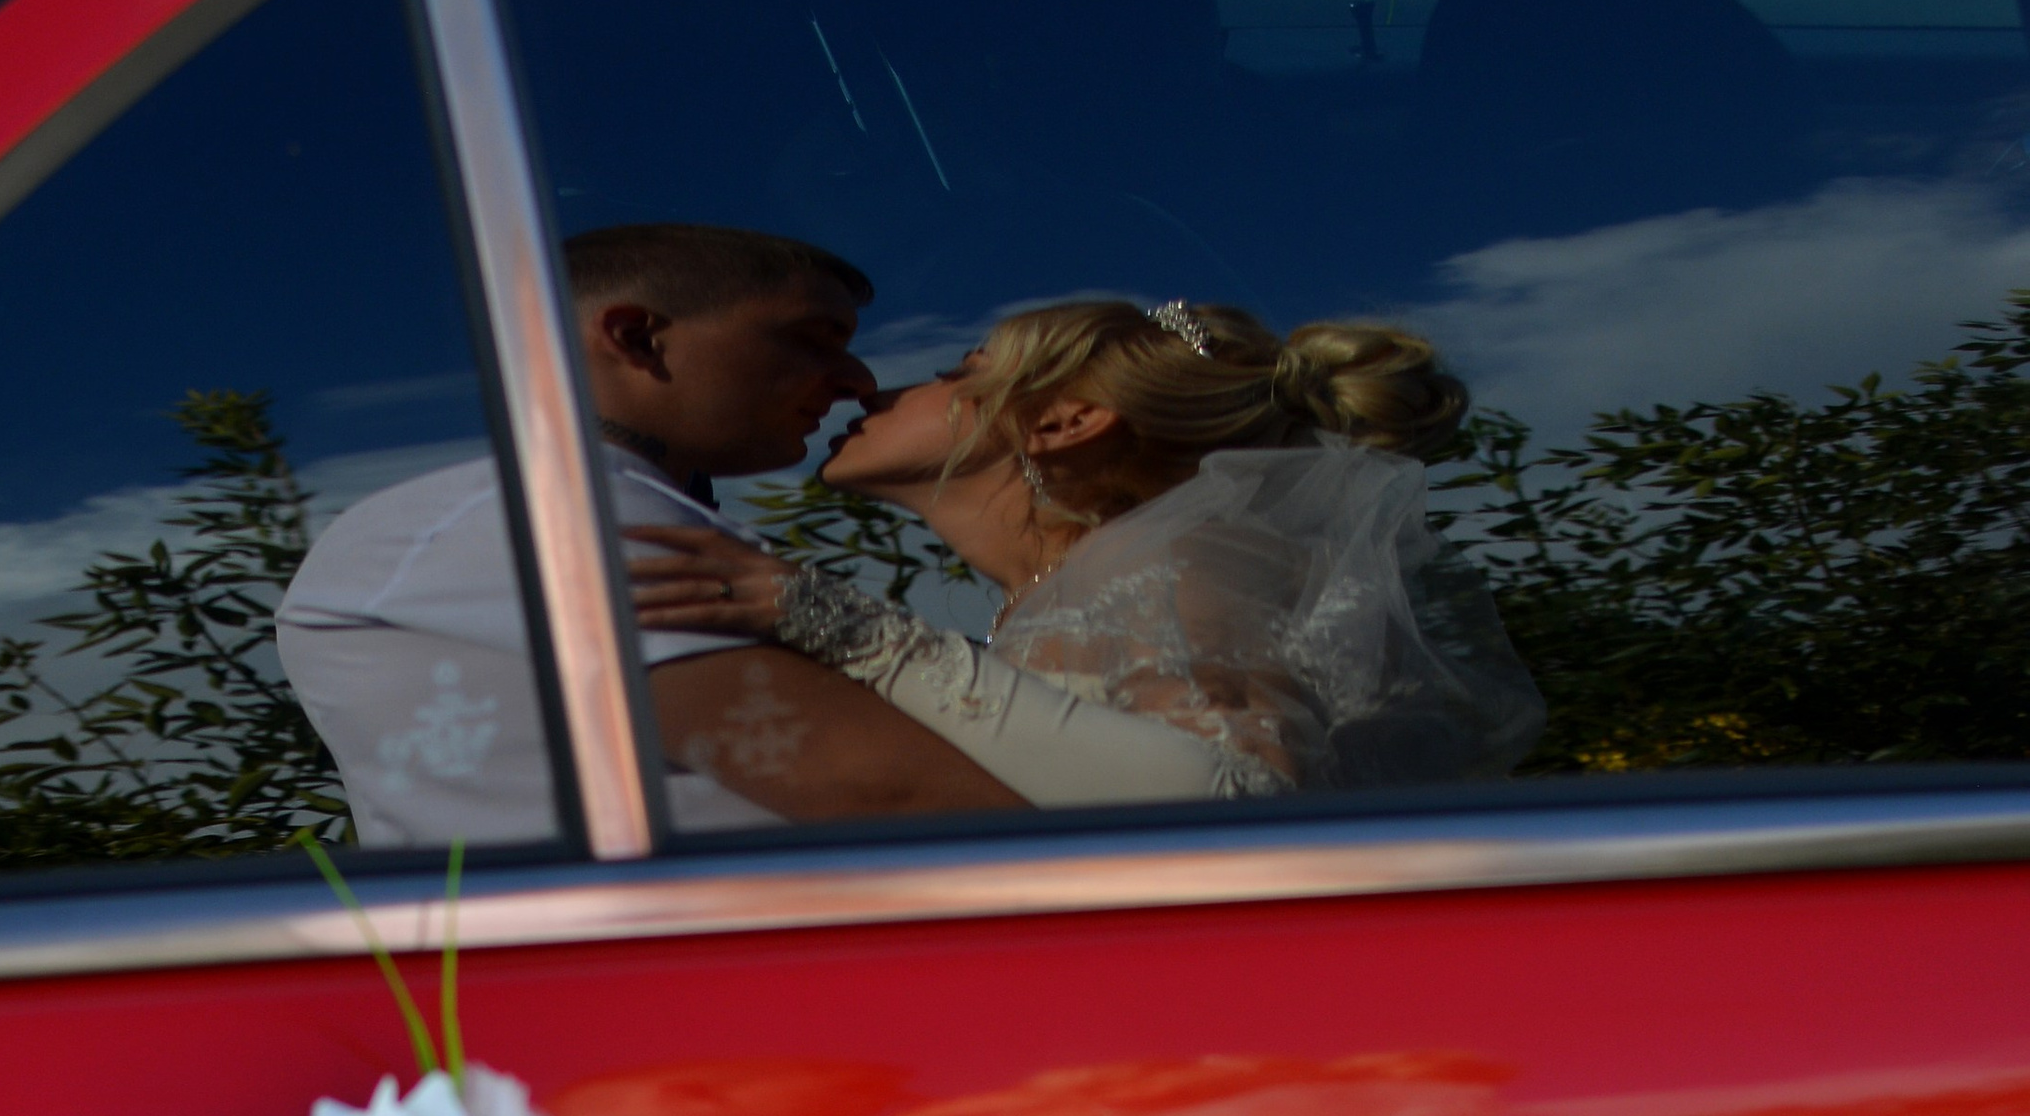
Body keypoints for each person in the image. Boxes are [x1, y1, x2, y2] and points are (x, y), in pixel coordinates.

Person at [626, 296, 1545, 802]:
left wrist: (857, 633)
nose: (878, 390)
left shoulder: (1186, 576)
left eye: (960, 370)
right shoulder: (1068, 592)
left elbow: (1239, 800)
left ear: (1064, 421)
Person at [276, 223, 1021, 842]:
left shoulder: (537, 514)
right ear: (635, 337)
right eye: (811, 338)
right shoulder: (549, 518)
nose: (857, 378)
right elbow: (882, 790)